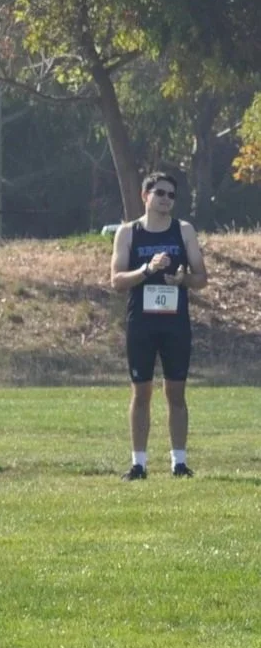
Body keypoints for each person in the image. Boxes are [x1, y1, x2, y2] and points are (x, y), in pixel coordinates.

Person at [112, 171, 207, 479]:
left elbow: (201, 278)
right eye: (160, 193)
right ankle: (138, 464)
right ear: (146, 196)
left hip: (175, 324)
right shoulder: (128, 232)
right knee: (141, 393)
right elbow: (116, 280)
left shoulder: (184, 230)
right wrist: (147, 269)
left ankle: (179, 462)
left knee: (176, 393)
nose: (167, 199)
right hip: (141, 323)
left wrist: (183, 279)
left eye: (171, 195)